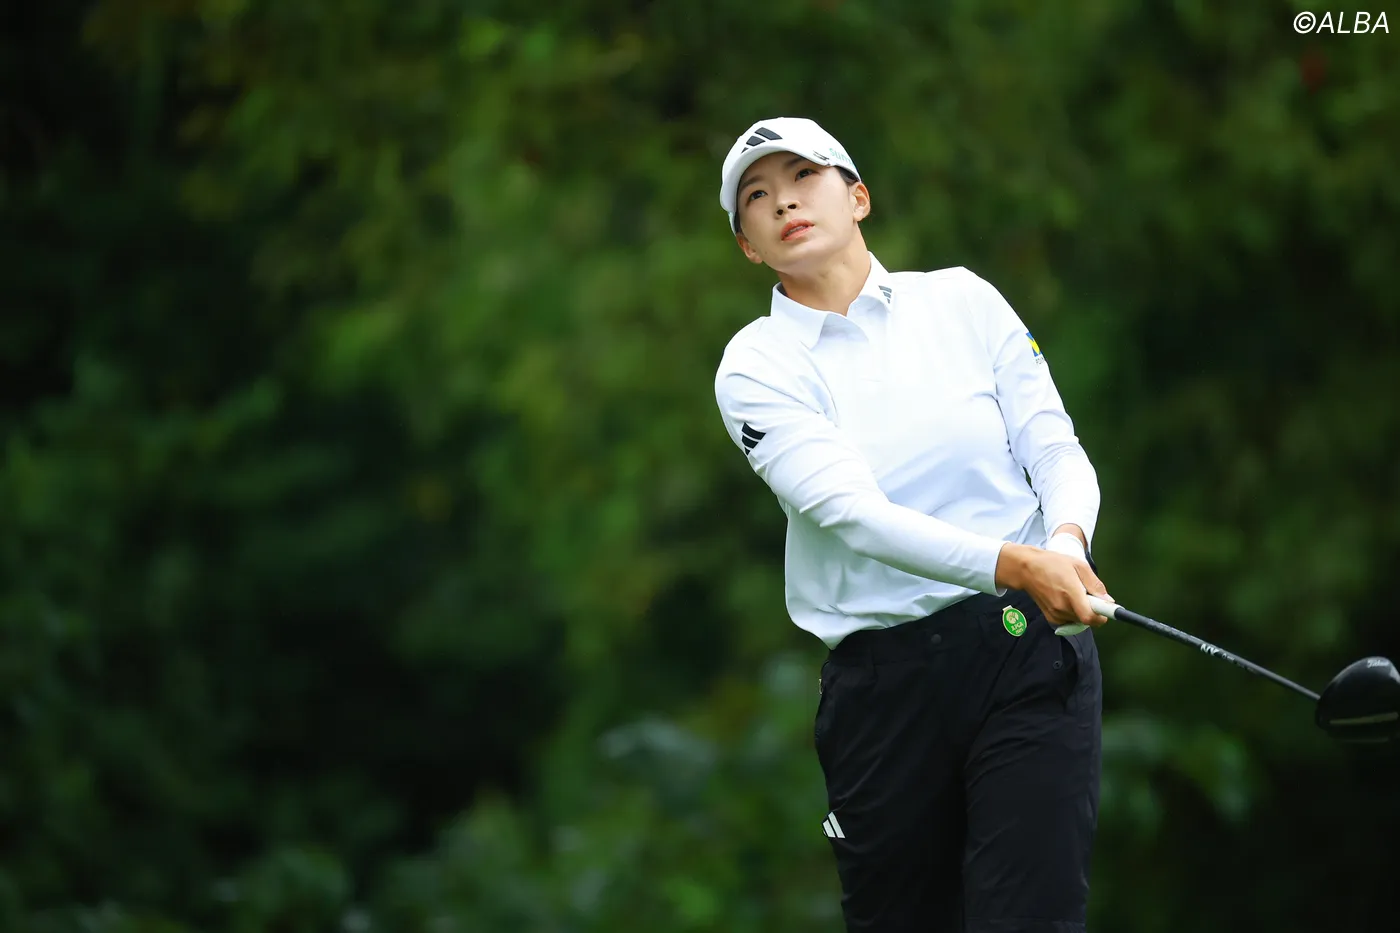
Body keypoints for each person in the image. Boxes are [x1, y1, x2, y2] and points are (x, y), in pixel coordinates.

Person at [712, 117, 1114, 933]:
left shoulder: (961, 299)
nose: (783, 200)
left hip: (1024, 651)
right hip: (883, 688)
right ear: (749, 245)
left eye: (804, 176)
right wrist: (1018, 562)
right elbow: (854, 515)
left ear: (857, 196)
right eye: (757, 195)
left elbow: (1053, 448)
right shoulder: (755, 365)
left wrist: (1066, 544)